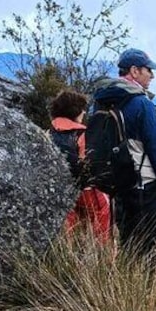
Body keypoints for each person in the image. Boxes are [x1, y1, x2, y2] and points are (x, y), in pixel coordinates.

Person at [92, 48, 156, 261]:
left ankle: (128, 291)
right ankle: (153, 294)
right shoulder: (141, 103)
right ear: (134, 71)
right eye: (148, 70)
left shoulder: (100, 102)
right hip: (147, 189)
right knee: (155, 253)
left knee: (130, 248)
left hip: (119, 188)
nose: (152, 75)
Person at [49, 89, 111, 242]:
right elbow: (89, 164)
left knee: (70, 232)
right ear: (76, 111)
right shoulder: (82, 134)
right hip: (87, 191)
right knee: (101, 221)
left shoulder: (48, 133)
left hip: (60, 190)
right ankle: (103, 259)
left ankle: (70, 259)